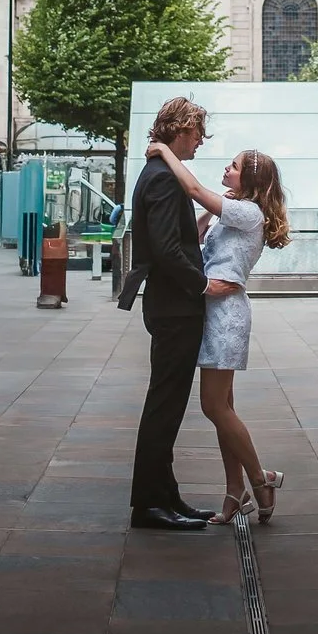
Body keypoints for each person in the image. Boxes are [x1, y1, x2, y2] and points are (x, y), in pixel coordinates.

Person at [151, 142, 290, 522]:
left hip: (225, 314)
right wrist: (210, 216)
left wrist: (166, 152)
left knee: (213, 406)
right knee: (222, 409)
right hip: (213, 310)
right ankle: (235, 492)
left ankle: (261, 479)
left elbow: (194, 191)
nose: (226, 169)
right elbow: (197, 238)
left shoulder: (248, 212)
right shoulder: (236, 211)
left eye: (233, 166)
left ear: (250, 179)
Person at [127, 97, 228, 530]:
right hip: (175, 308)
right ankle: (150, 505)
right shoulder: (166, 179)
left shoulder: (156, 173)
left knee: (166, 405)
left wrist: (201, 222)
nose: (200, 143)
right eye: (197, 134)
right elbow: (168, 250)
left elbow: (171, 238)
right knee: (164, 407)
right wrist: (204, 285)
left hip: (166, 305)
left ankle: (166, 497)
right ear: (180, 130)